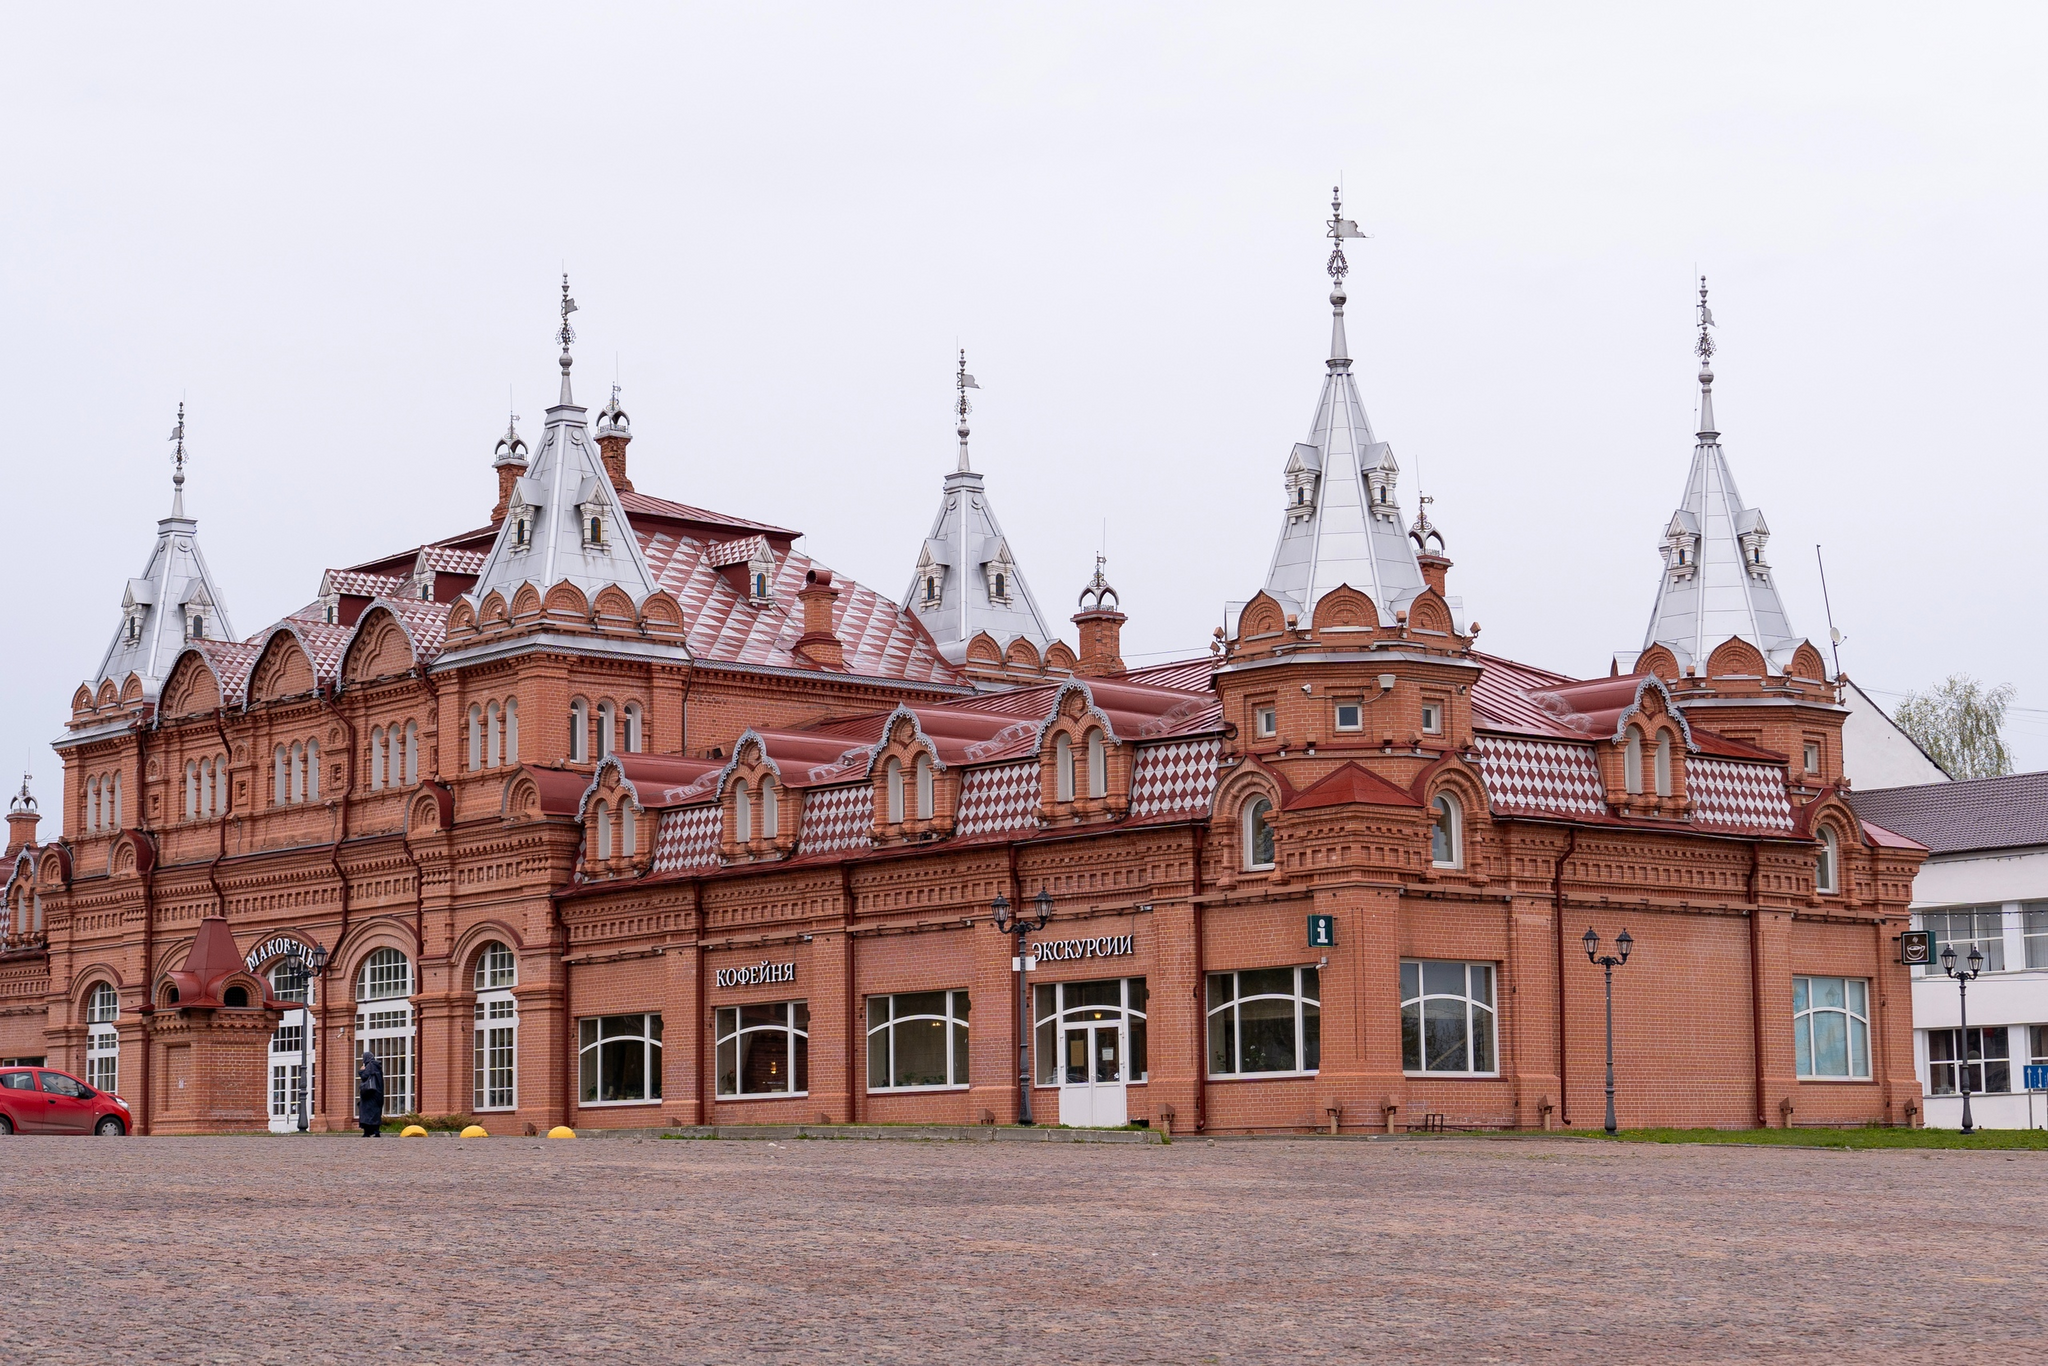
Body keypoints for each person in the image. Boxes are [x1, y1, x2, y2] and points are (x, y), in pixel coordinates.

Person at [356, 1050, 384, 1138]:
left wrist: (361, 1071)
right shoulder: (376, 1066)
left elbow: (365, 1076)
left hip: (369, 1094)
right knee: (375, 1113)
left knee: (367, 1113)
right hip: (377, 1094)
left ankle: (367, 1132)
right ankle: (375, 1131)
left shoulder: (370, 1066)